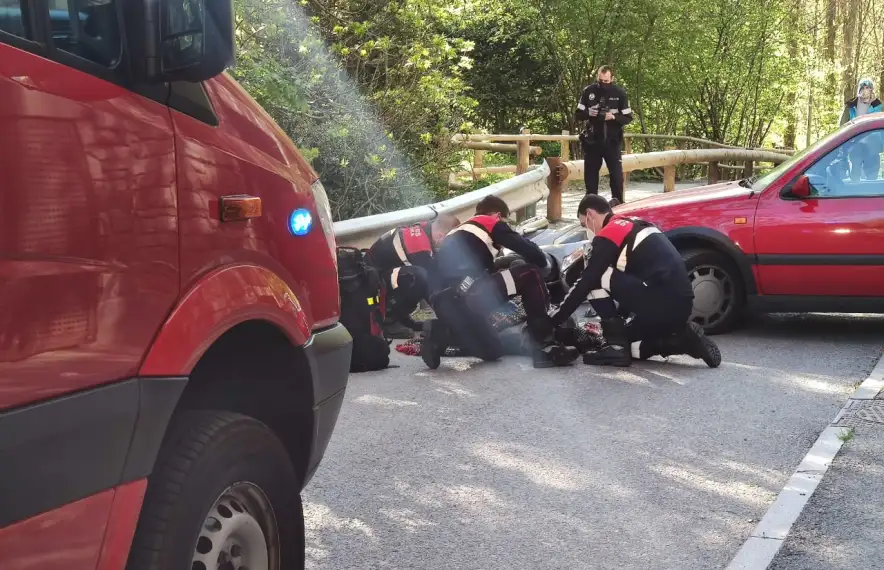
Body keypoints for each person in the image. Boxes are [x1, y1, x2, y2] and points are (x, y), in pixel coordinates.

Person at [548, 194, 721, 368]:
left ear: (590, 214)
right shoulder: (635, 223)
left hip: (659, 304)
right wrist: (621, 319)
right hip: (680, 305)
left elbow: (585, 281)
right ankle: (685, 341)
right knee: (629, 345)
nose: (589, 230)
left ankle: (615, 346)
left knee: (595, 276)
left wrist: (553, 321)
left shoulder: (611, 232)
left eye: (584, 224)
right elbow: (636, 281)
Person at [422, 196, 579, 369]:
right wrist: (544, 266)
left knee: (493, 350)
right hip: (467, 294)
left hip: (446, 302)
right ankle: (545, 347)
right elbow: (533, 253)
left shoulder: (459, 233)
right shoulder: (488, 222)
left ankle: (440, 333)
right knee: (530, 273)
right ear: (497, 216)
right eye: (504, 221)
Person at [365, 214, 460, 338]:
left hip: (386, 273)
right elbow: (433, 287)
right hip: (375, 283)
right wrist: (452, 319)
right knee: (418, 277)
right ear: (440, 236)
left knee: (418, 275)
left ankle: (401, 318)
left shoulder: (426, 227)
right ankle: (388, 321)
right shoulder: (419, 247)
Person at [576, 65, 633, 204]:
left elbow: (628, 118)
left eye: (606, 81)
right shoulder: (588, 91)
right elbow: (577, 114)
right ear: (597, 77)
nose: (603, 84)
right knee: (590, 178)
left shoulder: (620, 93)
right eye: (600, 80)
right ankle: (591, 207)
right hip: (593, 142)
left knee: (616, 176)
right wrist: (589, 112)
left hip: (612, 142)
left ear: (612, 78)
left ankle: (618, 204)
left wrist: (613, 117)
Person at [839, 78, 883, 181]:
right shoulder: (851, 106)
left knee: (872, 177)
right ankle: (854, 195)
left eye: (868, 88)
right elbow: (843, 125)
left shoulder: (878, 105)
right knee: (855, 175)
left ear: (872, 90)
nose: (865, 90)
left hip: (873, 146)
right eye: (863, 88)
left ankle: (871, 196)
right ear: (859, 89)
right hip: (855, 145)